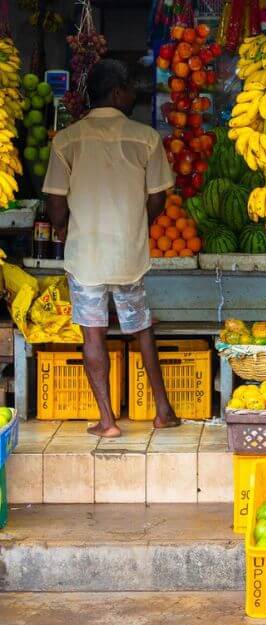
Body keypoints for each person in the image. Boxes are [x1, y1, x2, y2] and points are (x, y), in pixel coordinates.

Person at [42, 59, 180, 438]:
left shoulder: (67, 140)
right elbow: (158, 199)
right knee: (141, 328)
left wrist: (67, 228)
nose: (134, 94)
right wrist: (137, 224)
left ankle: (108, 421)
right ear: (117, 92)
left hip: (85, 255)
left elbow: (55, 202)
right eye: (131, 87)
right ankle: (163, 411)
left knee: (93, 335)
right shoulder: (146, 138)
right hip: (128, 256)